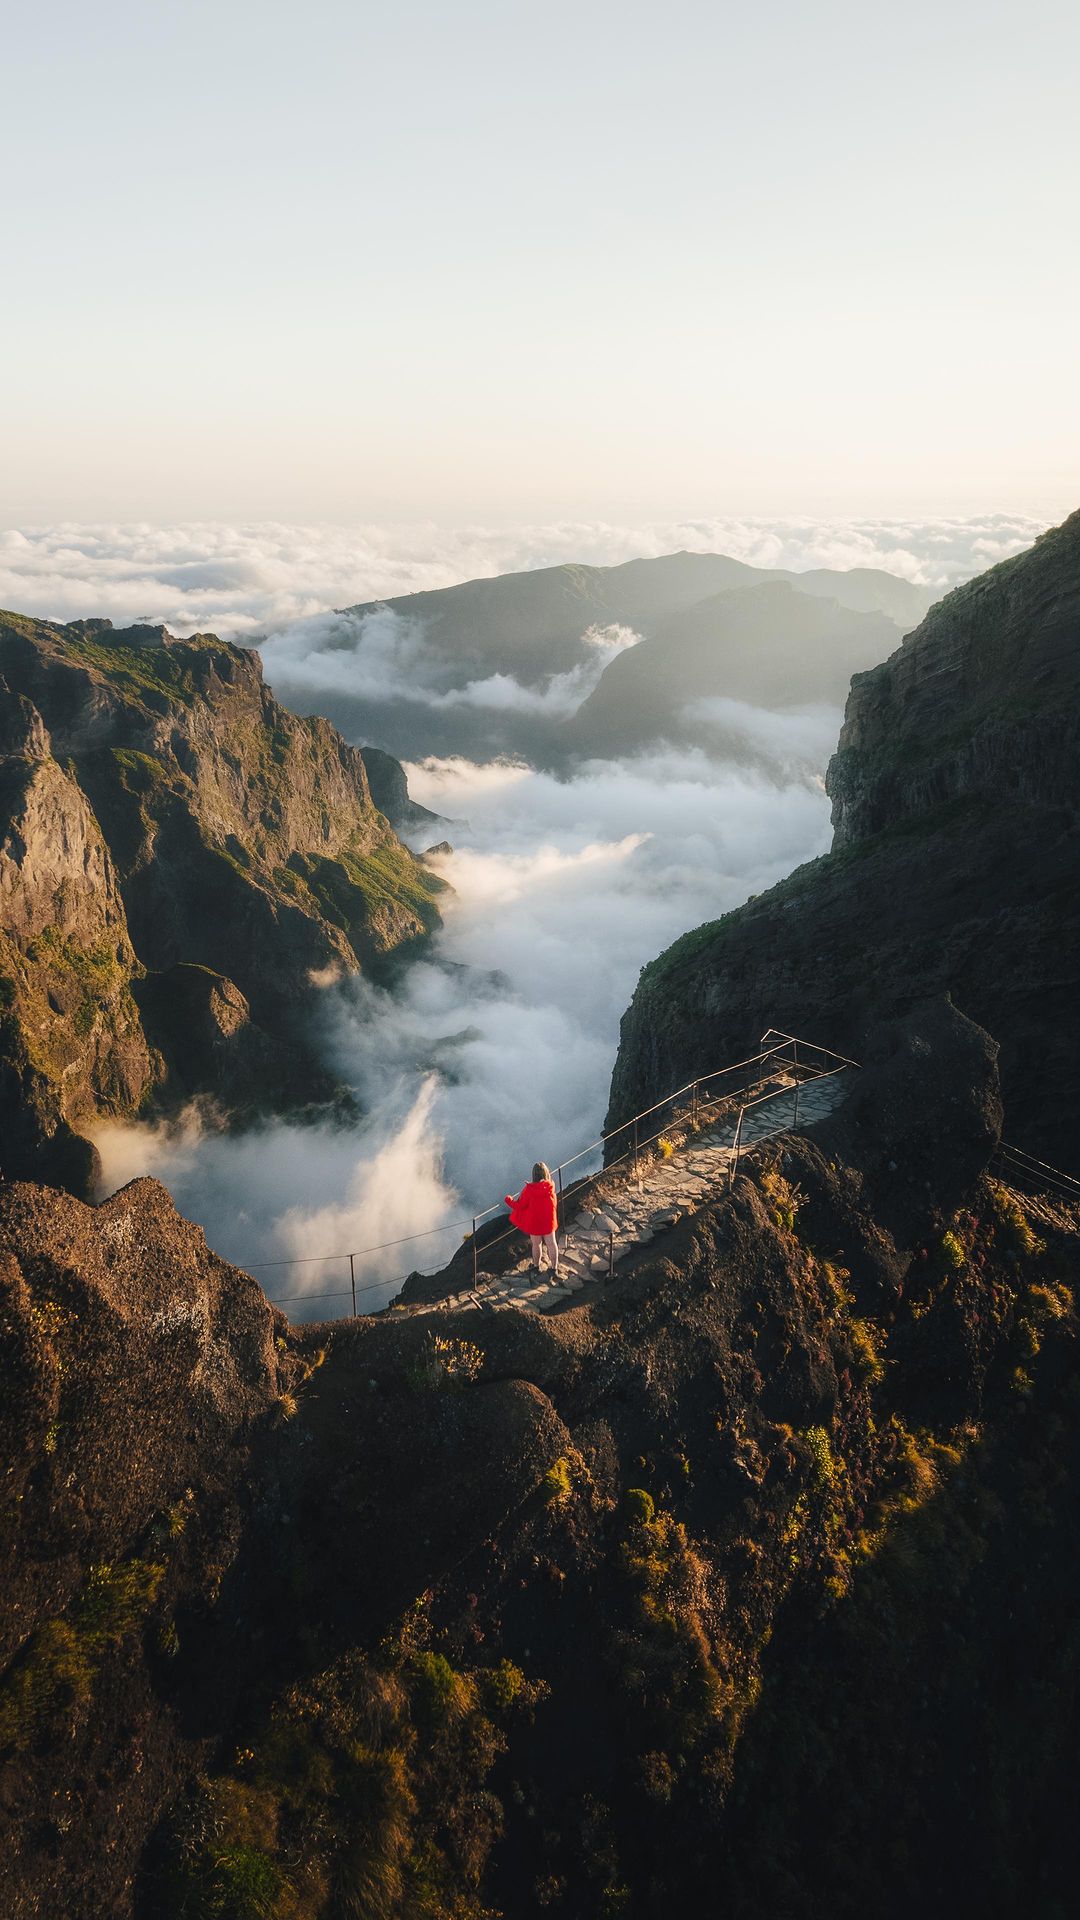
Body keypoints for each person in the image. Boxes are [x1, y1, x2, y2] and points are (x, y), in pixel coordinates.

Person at [505, 1161, 560, 1275]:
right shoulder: (551, 1186)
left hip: (535, 1222)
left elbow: (520, 1206)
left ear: (534, 1174)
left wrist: (509, 1200)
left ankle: (536, 1266)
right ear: (546, 1173)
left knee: (536, 1244)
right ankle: (554, 1268)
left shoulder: (529, 1190)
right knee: (551, 1243)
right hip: (549, 1220)